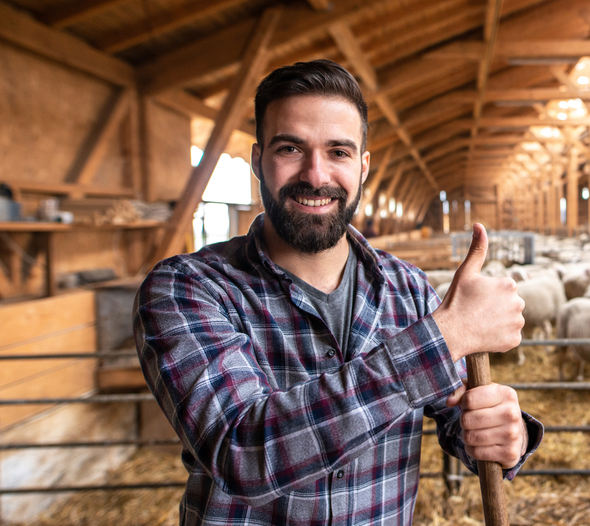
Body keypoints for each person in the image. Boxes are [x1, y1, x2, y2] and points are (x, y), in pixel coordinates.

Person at [134, 59, 543, 526]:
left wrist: (503, 434)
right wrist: (447, 336)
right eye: (290, 148)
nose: (315, 174)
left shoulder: (407, 289)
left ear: (363, 166)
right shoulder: (188, 289)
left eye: (339, 152)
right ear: (256, 160)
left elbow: (455, 416)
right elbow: (243, 452)